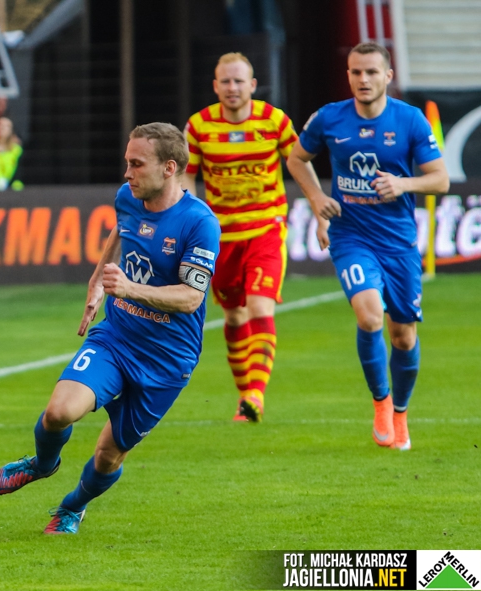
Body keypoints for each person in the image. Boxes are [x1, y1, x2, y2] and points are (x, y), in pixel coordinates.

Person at [0, 123, 220, 534]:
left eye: (137, 164)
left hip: (168, 360)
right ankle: (42, 464)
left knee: (108, 455)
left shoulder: (199, 223)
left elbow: (191, 298)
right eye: (127, 162)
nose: (127, 173)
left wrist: (128, 288)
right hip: (118, 338)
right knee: (59, 412)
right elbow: (121, 229)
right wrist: (97, 280)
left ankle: (73, 507)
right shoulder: (128, 197)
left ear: (169, 168)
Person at [286, 42, 449, 451]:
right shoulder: (329, 117)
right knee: (370, 315)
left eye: (372, 72)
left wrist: (403, 183)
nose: (363, 79)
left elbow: (441, 179)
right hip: (350, 235)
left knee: (403, 336)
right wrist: (316, 200)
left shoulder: (409, 120)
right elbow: (297, 159)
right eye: (356, 72)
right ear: (348, 76)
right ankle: (381, 402)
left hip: (398, 243)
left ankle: (401, 413)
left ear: (388, 76)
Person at [180, 52, 302, 423]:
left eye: (239, 81)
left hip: (266, 228)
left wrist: (320, 206)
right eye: (226, 82)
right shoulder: (199, 126)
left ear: (253, 85)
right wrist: (191, 220)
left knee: (260, 308)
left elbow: (299, 161)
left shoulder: (274, 120)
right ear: (215, 86)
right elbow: (186, 175)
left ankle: (255, 394)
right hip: (220, 237)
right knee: (234, 317)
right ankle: (244, 397)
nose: (232, 87)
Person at [0, 116, 23, 191]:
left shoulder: (17, 150)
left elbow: (20, 174)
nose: (2, 128)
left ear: (11, 130)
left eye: (6, 126)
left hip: (12, 191)